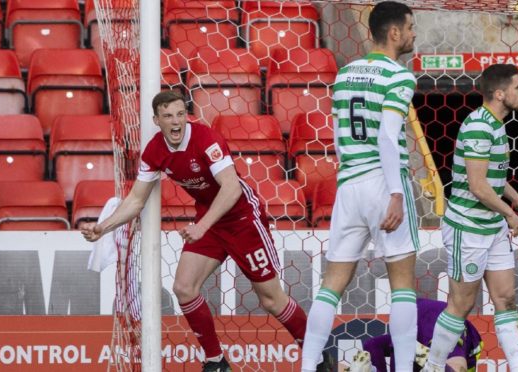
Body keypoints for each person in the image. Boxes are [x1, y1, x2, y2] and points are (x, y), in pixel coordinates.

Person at [82, 90, 312, 372]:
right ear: (156, 120)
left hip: (242, 219)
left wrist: (202, 227)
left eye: (180, 114)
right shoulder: (154, 150)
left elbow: (231, 187)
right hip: (209, 220)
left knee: (271, 299)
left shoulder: (206, 139)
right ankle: (216, 361)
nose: (175, 121)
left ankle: (317, 349)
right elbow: (136, 200)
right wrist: (102, 228)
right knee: (184, 288)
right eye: (168, 116)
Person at [301, 2, 420, 372]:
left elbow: (338, 137)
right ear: (395, 32)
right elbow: (387, 136)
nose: (415, 34)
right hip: (385, 183)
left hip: (349, 183)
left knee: (331, 285)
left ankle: (307, 366)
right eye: (411, 27)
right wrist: (397, 194)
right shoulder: (399, 76)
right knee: (402, 284)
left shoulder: (345, 73)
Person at [422, 64, 518, 372]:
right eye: (517, 86)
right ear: (499, 94)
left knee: (507, 298)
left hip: (492, 225)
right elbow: (477, 185)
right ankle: (434, 366)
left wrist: (516, 198)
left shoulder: (497, 124)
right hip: (468, 228)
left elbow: (492, 176)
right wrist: (511, 215)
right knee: (461, 305)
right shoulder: (477, 126)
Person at [347, 298, 482, 372]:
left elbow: (372, 344)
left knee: (375, 345)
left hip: (412, 311)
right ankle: (423, 354)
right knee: (456, 365)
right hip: (441, 319)